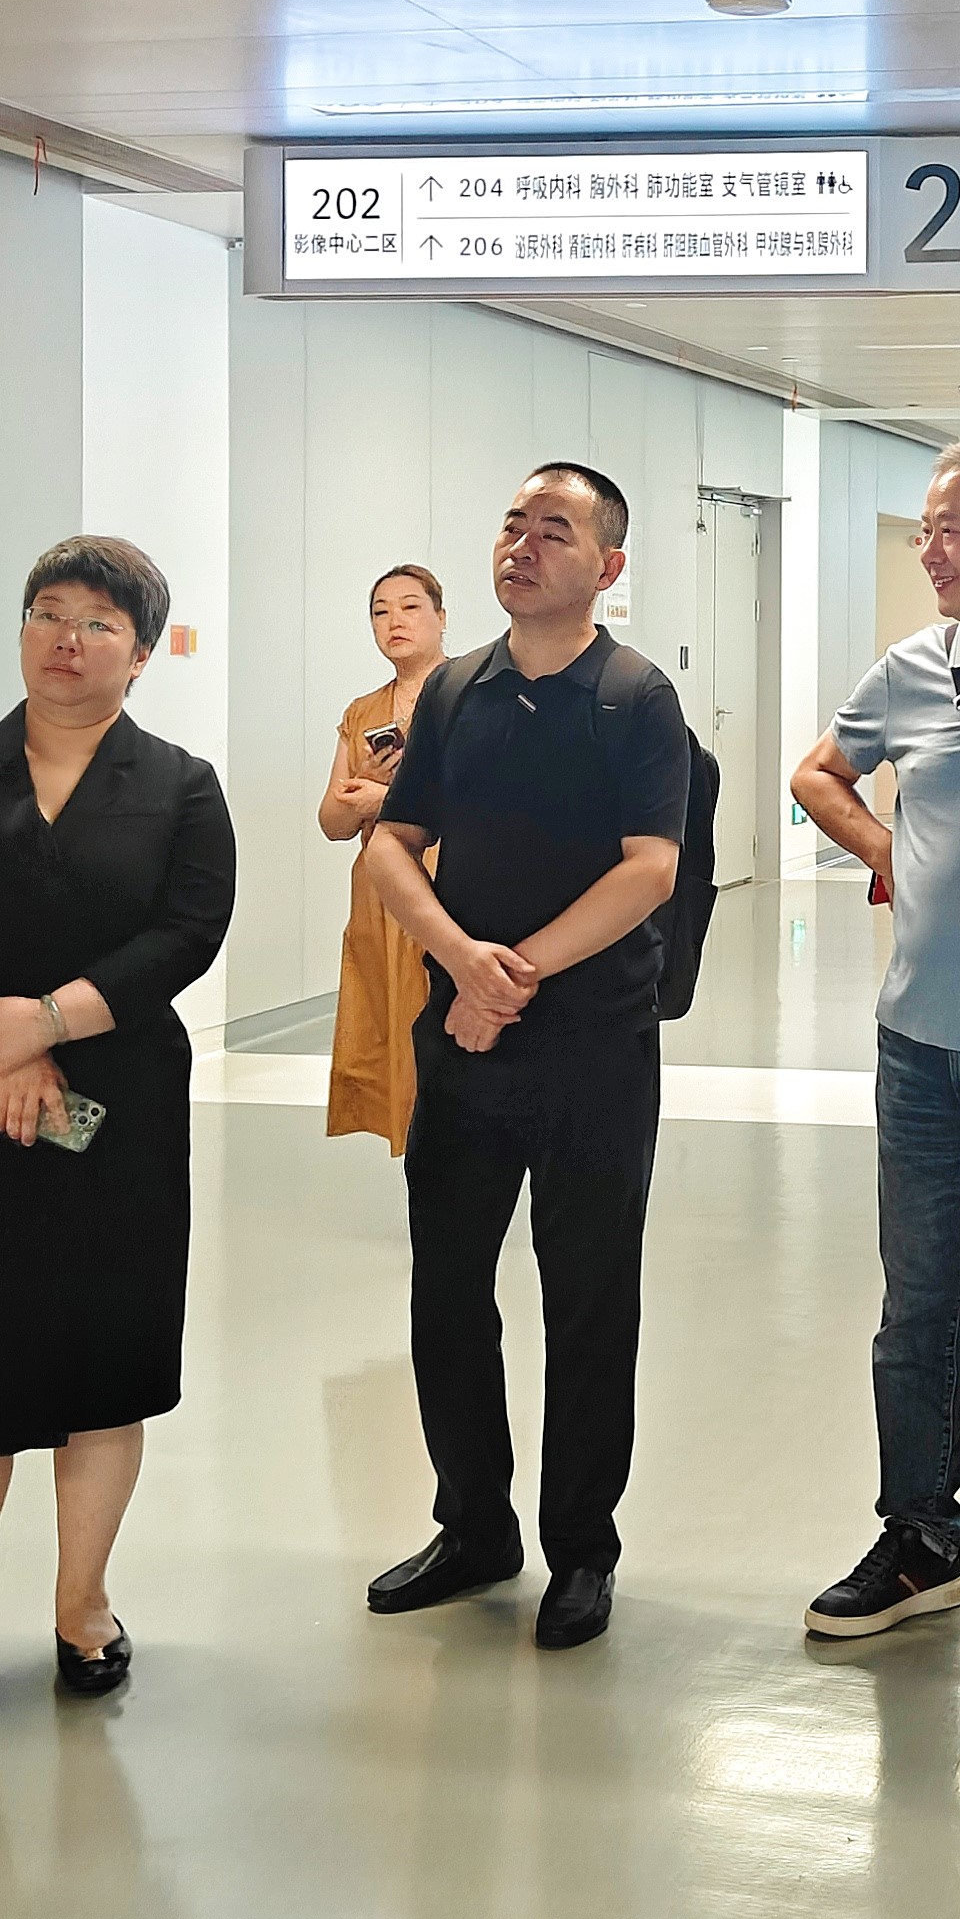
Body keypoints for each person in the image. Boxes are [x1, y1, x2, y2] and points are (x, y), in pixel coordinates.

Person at [0, 536, 236, 1722]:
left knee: (101, 1362)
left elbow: (187, 932)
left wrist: (55, 1020)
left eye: (98, 624)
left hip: (119, 1106)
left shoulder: (181, 786)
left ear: (141, 654)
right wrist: (8, 1043)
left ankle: (84, 1607)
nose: (66, 640)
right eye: (46, 614)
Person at [358, 464, 693, 1654]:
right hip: (462, 1039)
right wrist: (462, 963)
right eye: (513, 525)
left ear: (607, 566)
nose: (523, 545)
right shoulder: (457, 690)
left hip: (594, 1045)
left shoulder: (635, 697)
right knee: (446, 1290)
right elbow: (392, 843)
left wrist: (514, 977)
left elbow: (650, 867)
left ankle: (581, 1547)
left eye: (555, 530)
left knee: (589, 1298)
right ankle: (474, 1527)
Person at [787, 436, 960, 1637]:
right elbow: (818, 773)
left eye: (952, 528)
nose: (930, 550)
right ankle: (918, 1540)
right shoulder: (912, 670)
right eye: (924, 530)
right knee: (921, 1311)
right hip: (921, 1048)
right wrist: (887, 853)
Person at [321, 562, 449, 1156]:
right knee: (390, 1030)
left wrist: (385, 800)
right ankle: (412, 1147)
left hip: (449, 887)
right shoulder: (363, 713)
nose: (395, 621)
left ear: (441, 618)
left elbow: (489, 802)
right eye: (380, 611)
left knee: (443, 1024)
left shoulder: (469, 695)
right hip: (378, 897)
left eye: (410, 607)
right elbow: (332, 821)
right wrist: (369, 786)